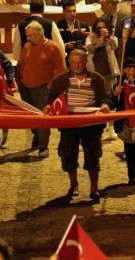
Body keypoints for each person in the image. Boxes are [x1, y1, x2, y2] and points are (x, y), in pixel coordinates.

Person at [43, 50, 112, 202]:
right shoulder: (61, 80)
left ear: (85, 62)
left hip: (91, 123)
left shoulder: (96, 78)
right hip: (69, 123)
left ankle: (94, 187)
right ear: (69, 63)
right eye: (73, 63)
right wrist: (48, 106)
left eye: (80, 62)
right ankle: (73, 184)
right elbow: (51, 98)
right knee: (68, 155)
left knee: (92, 156)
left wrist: (105, 105)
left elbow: (106, 97)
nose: (76, 66)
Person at [17, 22, 66, 156]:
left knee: (43, 117)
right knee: (30, 116)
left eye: (30, 36)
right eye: (27, 36)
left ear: (39, 34)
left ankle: (43, 146)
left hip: (43, 88)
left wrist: (50, 86)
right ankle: (37, 137)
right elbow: (21, 64)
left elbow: (61, 70)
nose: (28, 39)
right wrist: (19, 81)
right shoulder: (27, 46)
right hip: (26, 88)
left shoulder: (53, 47)